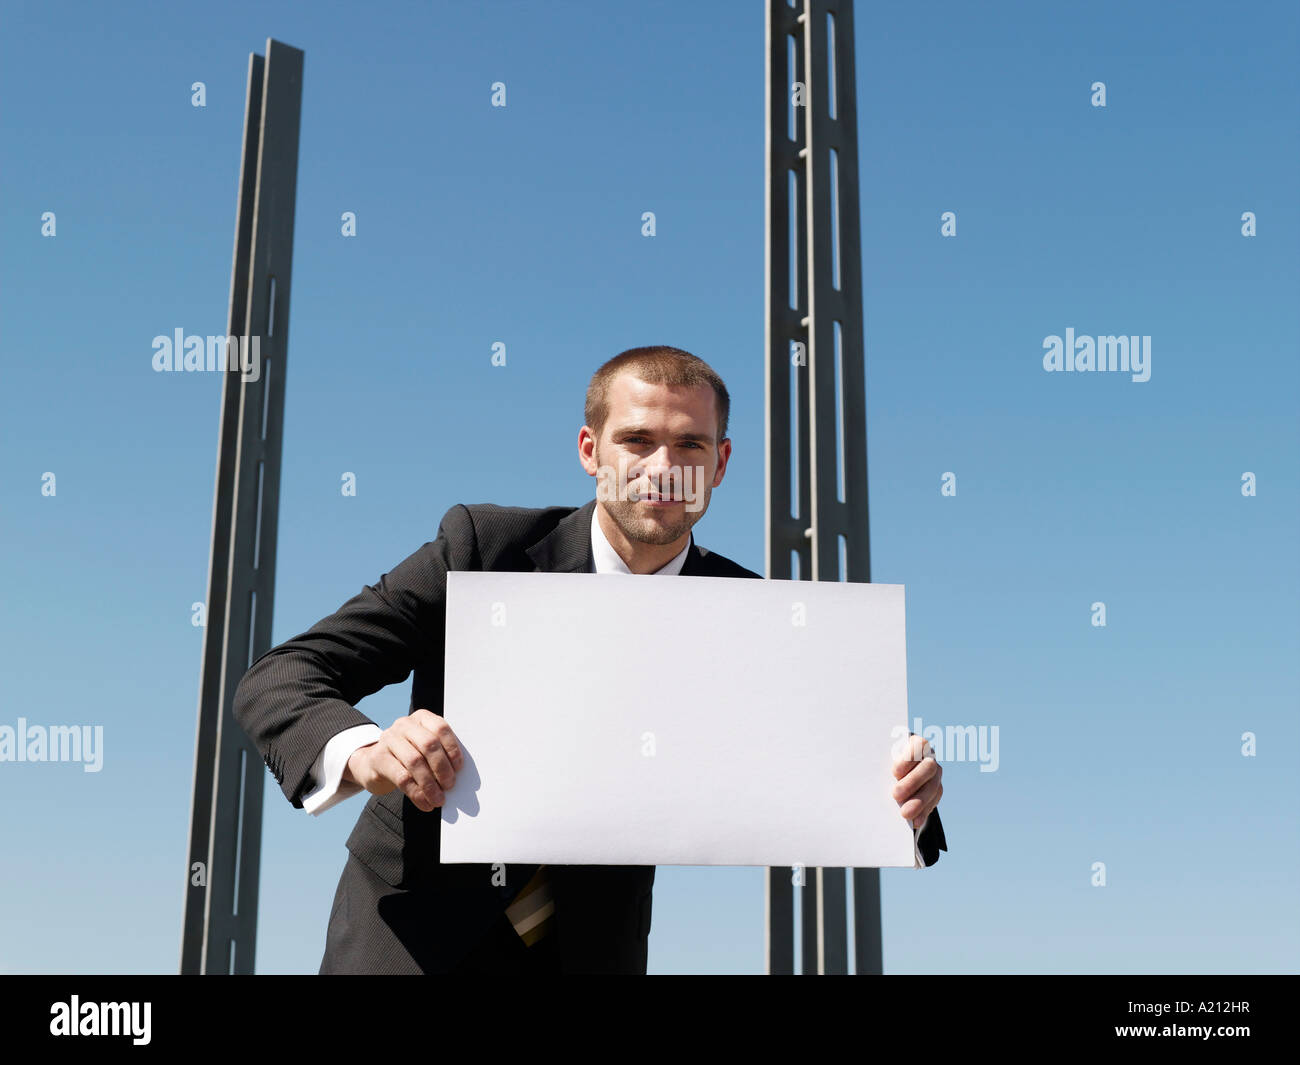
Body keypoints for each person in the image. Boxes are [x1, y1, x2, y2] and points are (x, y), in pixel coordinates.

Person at [232, 345, 946, 974]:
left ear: (722, 462)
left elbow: (837, 766)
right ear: (590, 449)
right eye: (636, 439)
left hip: (589, 953)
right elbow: (284, 677)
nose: (664, 468)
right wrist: (369, 751)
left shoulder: (753, 616)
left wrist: (906, 792)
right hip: (408, 941)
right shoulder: (484, 549)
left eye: (691, 444)